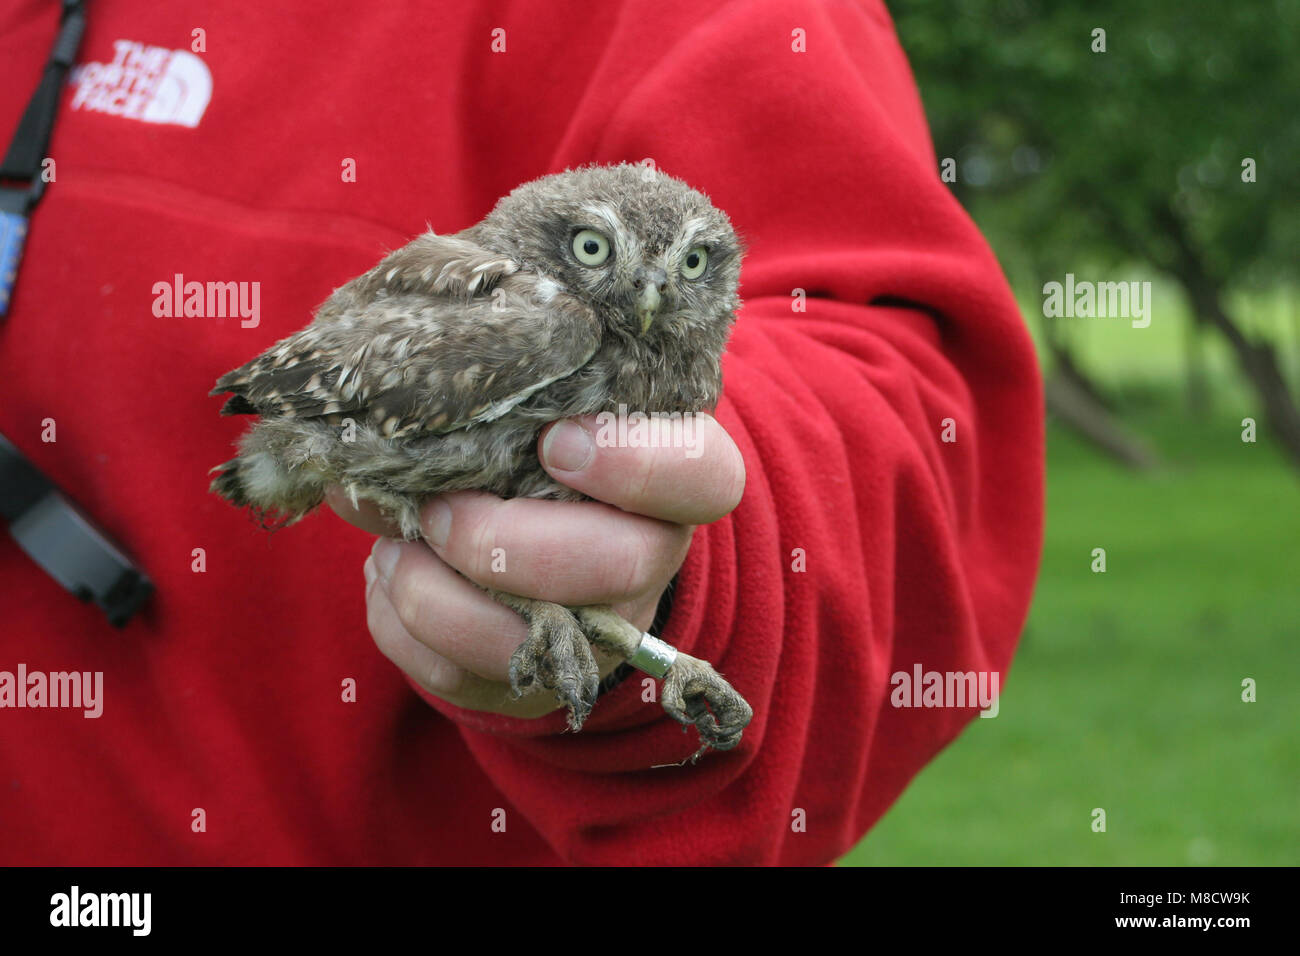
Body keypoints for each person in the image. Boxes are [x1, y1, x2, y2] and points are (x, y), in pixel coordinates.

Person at [0, 0, 1043, 865]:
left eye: (684, 272)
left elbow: (882, 365)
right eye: (595, 252)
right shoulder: (527, 314)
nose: (638, 299)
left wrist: (685, 570)